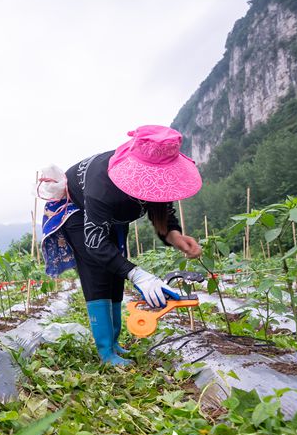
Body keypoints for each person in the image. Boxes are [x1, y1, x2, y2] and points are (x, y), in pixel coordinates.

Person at [40, 125, 203, 366]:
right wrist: (139, 275)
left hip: (115, 215)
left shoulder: (158, 180)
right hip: (77, 209)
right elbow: (95, 243)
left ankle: (114, 342)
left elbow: (163, 212)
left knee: (117, 268)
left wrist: (177, 237)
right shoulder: (103, 186)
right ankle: (106, 351)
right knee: (97, 270)